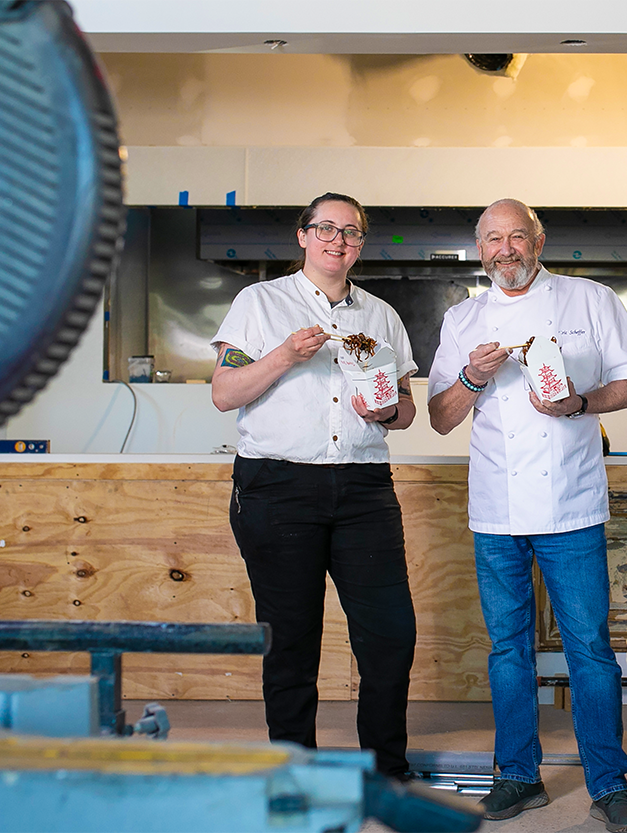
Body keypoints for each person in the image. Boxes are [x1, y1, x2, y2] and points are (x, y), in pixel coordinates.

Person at [428, 199, 627, 833]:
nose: (507, 249)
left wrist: (578, 403)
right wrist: (473, 378)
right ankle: (518, 777)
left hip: (572, 505)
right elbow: (441, 416)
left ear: (539, 239)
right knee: (507, 650)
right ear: (480, 249)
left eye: (517, 237)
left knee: (589, 648)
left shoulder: (589, 300)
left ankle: (609, 785)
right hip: (495, 510)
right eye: (493, 239)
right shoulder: (463, 318)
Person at [210, 192, 418, 778]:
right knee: (291, 640)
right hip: (277, 487)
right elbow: (224, 394)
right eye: (325, 228)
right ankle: (295, 772)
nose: (338, 239)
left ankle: (385, 770)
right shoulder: (260, 302)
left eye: (351, 232)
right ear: (303, 236)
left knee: (389, 637)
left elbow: (405, 410)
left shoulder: (380, 315)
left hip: (363, 489)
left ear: (360, 244)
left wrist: (386, 412)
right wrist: (281, 356)